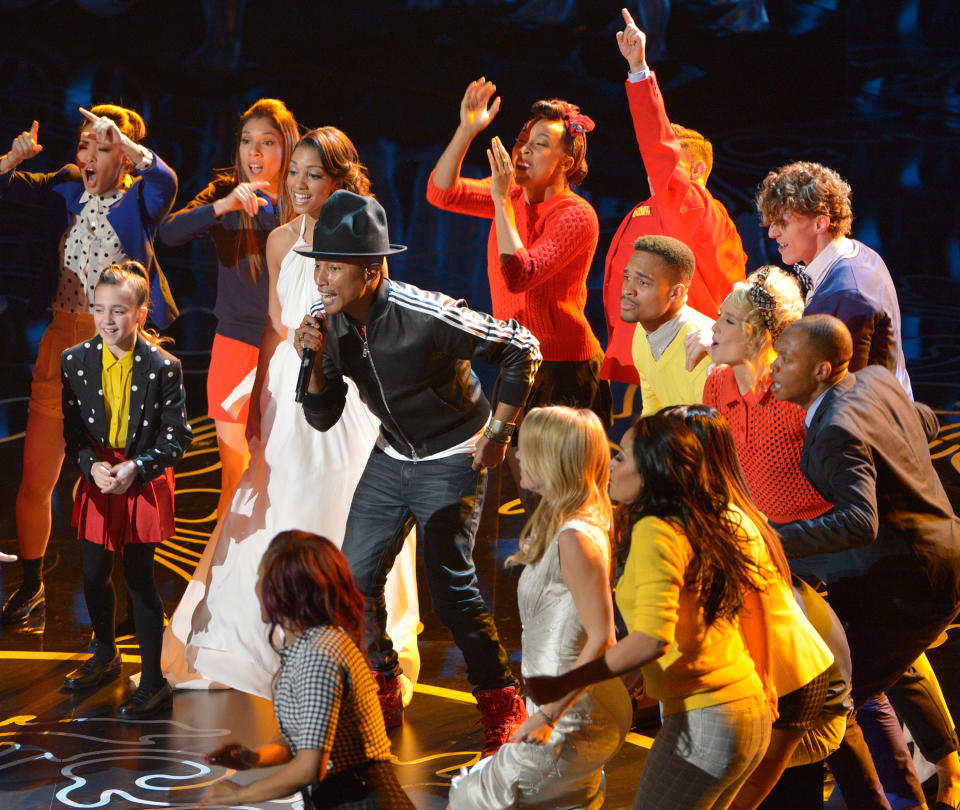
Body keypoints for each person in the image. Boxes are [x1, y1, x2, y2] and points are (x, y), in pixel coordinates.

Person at [162, 129, 420, 702]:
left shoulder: (359, 236)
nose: (299, 185)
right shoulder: (279, 239)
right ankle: (283, 633)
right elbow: (277, 322)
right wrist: (272, 383)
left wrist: (330, 353)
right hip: (287, 381)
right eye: (295, 172)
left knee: (343, 497)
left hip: (345, 388)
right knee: (284, 494)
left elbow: (374, 313)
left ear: (337, 180)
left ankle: (352, 638)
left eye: (313, 175)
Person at [296, 190, 542, 754]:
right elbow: (322, 414)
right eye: (321, 266)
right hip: (393, 454)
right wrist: (310, 362)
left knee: (451, 589)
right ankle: (382, 683)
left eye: (335, 267)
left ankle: (502, 703)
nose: (322, 280)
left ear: (371, 270)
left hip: (453, 453)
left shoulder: (422, 312)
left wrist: (499, 433)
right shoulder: (327, 324)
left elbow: (521, 348)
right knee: (352, 580)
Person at [527, 413, 772, 809]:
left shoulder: (655, 530)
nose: (610, 465)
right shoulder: (694, 516)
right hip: (742, 707)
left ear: (651, 473)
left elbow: (651, 639)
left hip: (707, 717)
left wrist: (556, 699)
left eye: (622, 457)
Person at [0, 106, 178, 625]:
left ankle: (130, 600)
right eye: (85, 145)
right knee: (36, 477)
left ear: (123, 157)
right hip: (61, 340)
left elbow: (164, 180)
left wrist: (131, 146)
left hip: (117, 352)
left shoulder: (139, 198)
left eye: (105, 147)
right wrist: (12, 158)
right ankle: (32, 587)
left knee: (116, 482)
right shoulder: (65, 186)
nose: (90, 157)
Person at [770, 316, 960, 801]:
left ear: (821, 370)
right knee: (894, 669)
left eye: (787, 358)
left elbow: (860, 521)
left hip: (910, 584)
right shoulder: (874, 380)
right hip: (936, 560)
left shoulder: (834, 428)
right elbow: (927, 420)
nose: (774, 367)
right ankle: (946, 772)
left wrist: (771, 538)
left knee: (835, 699)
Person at [427, 80, 608, 505]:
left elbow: (519, 274)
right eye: (523, 140)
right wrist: (467, 130)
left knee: (567, 497)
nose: (524, 150)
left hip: (565, 370)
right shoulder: (508, 196)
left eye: (541, 144)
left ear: (567, 161)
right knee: (531, 495)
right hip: (518, 360)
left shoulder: (575, 216)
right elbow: (440, 191)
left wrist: (501, 202)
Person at [447, 407, 632, 809]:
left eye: (527, 449)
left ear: (555, 460)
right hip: (558, 701)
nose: (516, 456)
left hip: (571, 713)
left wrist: (548, 716)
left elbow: (603, 638)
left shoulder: (575, 537)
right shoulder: (564, 516)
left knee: (472, 799)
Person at [662, 404, 837, 810]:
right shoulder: (708, 511)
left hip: (787, 681)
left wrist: (763, 684)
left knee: (740, 801)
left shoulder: (727, 522)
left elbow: (754, 607)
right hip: (775, 673)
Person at [61, 261, 192, 718]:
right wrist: (91, 465)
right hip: (99, 476)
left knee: (138, 578)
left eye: (119, 311)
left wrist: (137, 467)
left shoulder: (163, 367)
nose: (107, 321)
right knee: (94, 573)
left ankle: (154, 680)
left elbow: (178, 437)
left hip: (141, 478)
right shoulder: (74, 360)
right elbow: (73, 434)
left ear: (141, 313)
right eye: (100, 310)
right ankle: (105, 652)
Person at [201, 531, 415, 810]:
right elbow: (303, 740)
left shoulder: (318, 655)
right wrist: (254, 759)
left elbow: (309, 767)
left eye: (263, 578)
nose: (256, 589)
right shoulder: (308, 646)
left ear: (289, 591)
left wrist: (239, 795)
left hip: (360, 799)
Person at [159, 98, 299, 519]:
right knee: (235, 478)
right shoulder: (225, 193)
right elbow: (168, 233)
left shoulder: (301, 194)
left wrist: (277, 211)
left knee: (283, 475)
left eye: (267, 142)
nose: (254, 153)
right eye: (246, 142)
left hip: (290, 349)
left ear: (286, 148)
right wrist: (224, 207)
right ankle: (226, 579)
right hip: (235, 346)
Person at [601, 7, 746, 385]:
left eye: (666, 164)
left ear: (695, 172)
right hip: (659, 353)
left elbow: (657, 143)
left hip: (685, 358)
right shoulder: (658, 211)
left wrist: (638, 70)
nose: (654, 169)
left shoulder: (692, 205)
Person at [756, 160, 912, 397]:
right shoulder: (859, 254)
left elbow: (837, 395)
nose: (772, 233)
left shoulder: (846, 293)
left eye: (783, 224)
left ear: (820, 223)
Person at [703, 266, 830, 524]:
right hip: (762, 527)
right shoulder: (715, 384)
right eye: (719, 316)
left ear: (758, 334)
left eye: (728, 321)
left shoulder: (795, 393)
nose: (714, 327)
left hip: (823, 530)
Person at [622, 234, 714, 416]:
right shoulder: (642, 330)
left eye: (642, 282)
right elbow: (651, 411)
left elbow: (714, 434)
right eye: (627, 277)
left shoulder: (706, 350)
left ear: (676, 293)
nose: (627, 290)